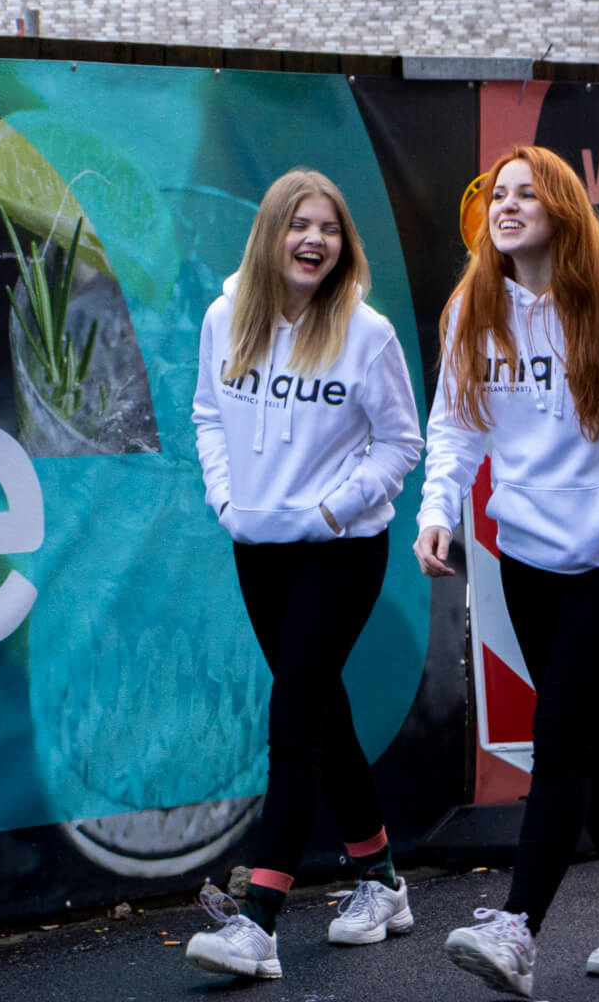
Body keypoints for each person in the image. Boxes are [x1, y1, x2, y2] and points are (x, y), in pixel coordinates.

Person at [415, 145, 599, 999]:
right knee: (588, 735)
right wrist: (437, 510)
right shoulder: (474, 305)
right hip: (527, 558)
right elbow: (457, 426)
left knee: (562, 731)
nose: (506, 205)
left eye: (526, 194)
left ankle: (518, 926)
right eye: (498, 194)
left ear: (562, 210)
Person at [183, 169, 424, 980]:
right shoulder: (227, 318)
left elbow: (401, 443)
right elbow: (208, 414)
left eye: (327, 228)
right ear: (271, 236)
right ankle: (382, 879)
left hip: (340, 551)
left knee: (294, 718)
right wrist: (226, 497)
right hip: (257, 545)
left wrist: (333, 510)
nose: (313, 240)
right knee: (323, 709)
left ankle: (258, 923)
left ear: (343, 245)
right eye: (298, 225)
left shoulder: (368, 333)